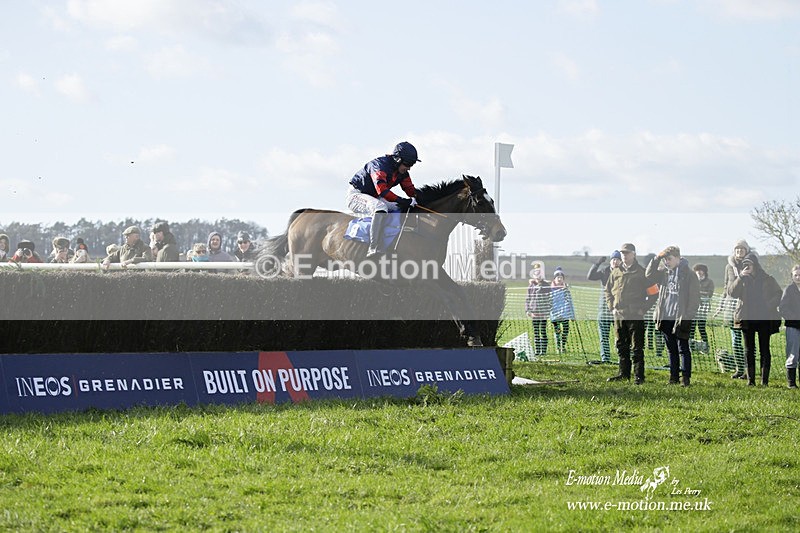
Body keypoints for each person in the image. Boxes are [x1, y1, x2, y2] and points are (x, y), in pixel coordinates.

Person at [346, 141, 420, 257]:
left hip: (375, 197)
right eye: (408, 164)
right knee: (380, 207)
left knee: (399, 207)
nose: (409, 168)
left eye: (412, 164)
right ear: (397, 159)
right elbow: (383, 191)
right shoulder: (379, 165)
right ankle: (373, 248)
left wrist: (421, 198)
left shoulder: (402, 172)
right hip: (356, 195)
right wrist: (402, 200)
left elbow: (410, 190)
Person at [646, 246, 700, 386]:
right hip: (665, 316)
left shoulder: (689, 274)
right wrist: (657, 258)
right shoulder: (663, 273)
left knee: (683, 348)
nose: (667, 262)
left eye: (669, 259)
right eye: (665, 260)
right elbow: (649, 275)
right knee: (671, 349)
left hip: (680, 317)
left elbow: (695, 299)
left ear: (678, 258)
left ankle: (685, 378)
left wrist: (687, 316)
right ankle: (673, 377)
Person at [605, 242, 657, 385]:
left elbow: (654, 293)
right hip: (619, 315)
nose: (624, 256)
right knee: (621, 345)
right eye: (622, 253)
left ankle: (639, 376)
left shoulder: (643, 273)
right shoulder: (615, 272)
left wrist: (643, 309)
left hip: (635, 315)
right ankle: (623, 374)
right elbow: (608, 290)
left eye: (627, 253)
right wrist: (611, 307)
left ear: (634, 254)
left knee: (637, 347)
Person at [728, 253, 782, 386]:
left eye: (749, 264)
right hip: (747, 318)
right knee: (749, 350)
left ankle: (764, 381)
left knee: (764, 349)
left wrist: (768, 306)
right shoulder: (741, 279)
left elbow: (778, 294)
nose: (747, 266)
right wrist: (740, 277)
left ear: (755, 265)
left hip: (764, 318)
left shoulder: (767, 278)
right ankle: (751, 380)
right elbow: (732, 293)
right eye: (744, 264)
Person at [715, 240, 750, 379]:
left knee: (748, 342)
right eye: (737, 249)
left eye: (742, 249)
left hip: (746, 307)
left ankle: (749, 370)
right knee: (735, 341)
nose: (739, 251)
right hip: (731, 308)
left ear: (746, 251)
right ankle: (739, 368)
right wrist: (721, 305)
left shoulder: (751, 265)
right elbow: (726, 287)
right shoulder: (729, 267)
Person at [587, 251, 622, 363]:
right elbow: (590, 276)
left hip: (619, 310)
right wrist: (597, 263)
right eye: (613, 259)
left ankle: (622, 358)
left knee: (621, 336)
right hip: (604, 309)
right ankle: (605, 358)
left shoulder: (624, 272)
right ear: (610, 261)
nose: (615, 262)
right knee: (604, 336)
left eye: (618, 259)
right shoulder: (604, 271)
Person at [779, 265, 800, 389]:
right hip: (793, 326)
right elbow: (783, 308)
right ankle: (791, 383)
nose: (798, 277)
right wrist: (795, 319)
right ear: (792, 276)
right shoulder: (789, 290)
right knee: (793, 353)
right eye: (795, 275)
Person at [525, 261, 552, 357]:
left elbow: (550, 299)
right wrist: (527, 310)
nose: (538, 275)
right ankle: (537, 350)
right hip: (534, 312)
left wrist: (548, 311)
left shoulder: (546, 285)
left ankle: (543, 351)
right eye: (536, 273)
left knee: (543, 331)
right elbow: (528, 298)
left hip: (543, 312)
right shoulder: (531, 286)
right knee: (536, 332)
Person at [550, 267, 576, 354]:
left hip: (565, 314)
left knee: (565, 330)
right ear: (554, 278)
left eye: (561, 277)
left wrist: (572, 315)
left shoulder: (566, 290)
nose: (559, 279)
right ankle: (558, 347)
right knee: (557, 331)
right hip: (555, 315)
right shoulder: (550, 289)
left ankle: (563, 345)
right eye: (558, 277)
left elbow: (570, 302)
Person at [691, 263, 715, 353]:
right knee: (691, 328)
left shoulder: (709, 282)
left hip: (703, 308)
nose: (699, 272)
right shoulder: (692, 281)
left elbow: (710, 293)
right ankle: (691, 346)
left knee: (701, 328)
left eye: (701, 270)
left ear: (704, 272)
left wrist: (698, 293)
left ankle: (705, 347)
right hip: (693, 307)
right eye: (697, 270)